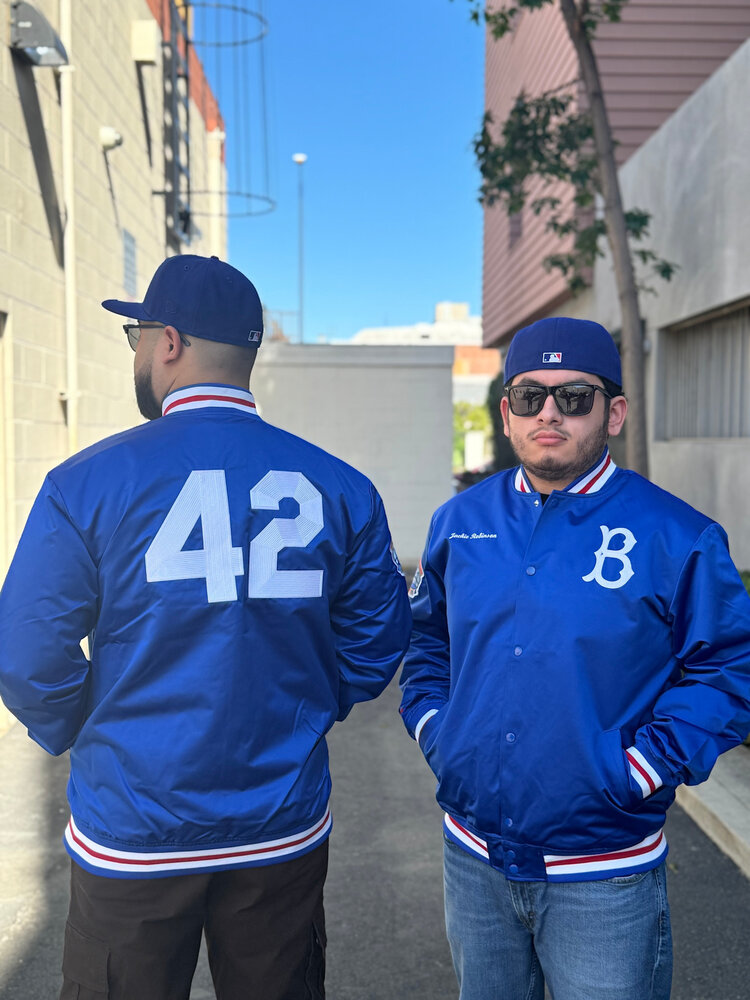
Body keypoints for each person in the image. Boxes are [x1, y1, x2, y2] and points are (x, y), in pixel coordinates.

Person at [0, 254, 411, 1000]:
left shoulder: (84, 483)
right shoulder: (341, 485)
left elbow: (28, 654)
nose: (135, 351)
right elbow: (378, 638)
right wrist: (307, 706)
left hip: (135, 826)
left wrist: (89, 729)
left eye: (137, 333)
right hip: (278, 820)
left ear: (169, 342)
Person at [399, 316, 750, 1000]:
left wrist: (640, 769)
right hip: (473, 860)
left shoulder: (678, 535)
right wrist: (438, 730)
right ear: (506, 414)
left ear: (614, 411)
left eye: (575, 396)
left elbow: (726, 670)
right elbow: (426, 640)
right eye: (529, 396)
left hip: (604, 872)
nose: (549, 413)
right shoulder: (459, 521)